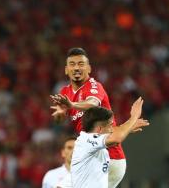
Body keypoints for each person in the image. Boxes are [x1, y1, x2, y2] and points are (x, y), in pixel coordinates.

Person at [50, 47, 129, 188]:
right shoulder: (65, 91)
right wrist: (59, 115)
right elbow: (59, 118)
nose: (76, 68)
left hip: (108, 157)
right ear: (66, 70)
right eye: (72, 64)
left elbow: (92, 103)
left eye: (81, 64)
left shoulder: (94, 86)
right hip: (88, 156)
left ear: (89, 68)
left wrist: (72, 104)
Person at [70, 98, 149, 188]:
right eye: (110, 126)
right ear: (99, 129)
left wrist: (128, 127)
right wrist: (134, 117)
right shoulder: (85, 141)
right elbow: (116, 138)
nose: (112, 129)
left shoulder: (96, 143)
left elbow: (114, 138)